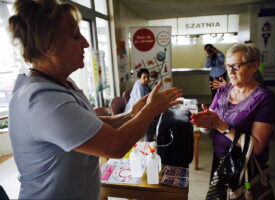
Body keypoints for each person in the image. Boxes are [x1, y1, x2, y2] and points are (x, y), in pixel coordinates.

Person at [8, 0, 182, 199]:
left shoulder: (60, 84)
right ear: (47, 45)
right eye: (75, 36)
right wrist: (150, 110)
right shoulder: (42, 100)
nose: (86, 43)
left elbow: (91, 127)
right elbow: (115, 146)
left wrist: (132, 113)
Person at [191, 43, 275, 197]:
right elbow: (210, 122)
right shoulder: (223, 90)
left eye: (236, 66)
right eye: (228, 66)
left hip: (245, 169)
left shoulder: (265, 98)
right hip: (220, 163)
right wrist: (204, 123)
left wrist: (220, 125)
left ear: (253, 66)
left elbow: (256, 147)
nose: (230, 71)